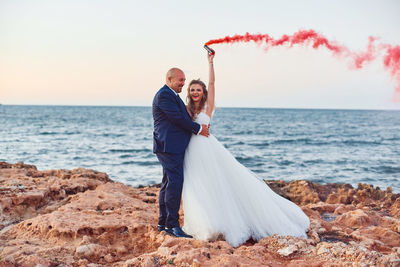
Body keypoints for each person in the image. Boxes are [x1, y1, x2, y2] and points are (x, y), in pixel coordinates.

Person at [182, 52, 310, 247]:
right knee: (196, 186)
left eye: (198, 89)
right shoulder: (186, 108)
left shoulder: (208, 107)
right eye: (192, 89)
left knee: (215, 184)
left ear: (203, 92)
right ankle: (203, 223)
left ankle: (220, 223)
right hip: (191, 151)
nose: (195, 92)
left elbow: (213, 84)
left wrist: (210, 63)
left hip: (207, 150)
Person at [152, 67, 210, 238]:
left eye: (184, 80)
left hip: (170, 146)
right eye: (181, 80)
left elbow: (182, 116)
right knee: (175, 183)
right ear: (169, 79)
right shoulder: (164, 95)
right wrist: (198, 128)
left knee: (168, 183)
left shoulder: (172, 95)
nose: (183, 84)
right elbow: (177, 118)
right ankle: (172, 225)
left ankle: (163, 223)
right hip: (168, 146)